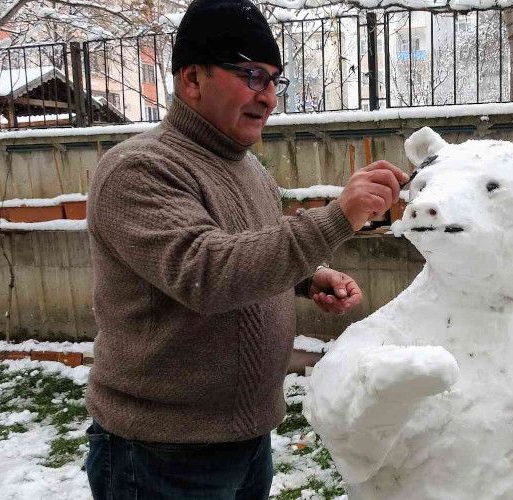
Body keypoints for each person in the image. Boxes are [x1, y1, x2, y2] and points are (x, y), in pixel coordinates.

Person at [83, 0, 408, 498]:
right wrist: (338, 218)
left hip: (246, 438)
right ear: (192, 79)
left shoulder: (245, 166)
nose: (270, 97)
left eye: (275, 79)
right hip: (161, 453)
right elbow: (206, 272)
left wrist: (307, 276)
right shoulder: (139, 169)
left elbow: (250, 244)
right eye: (253, 75)